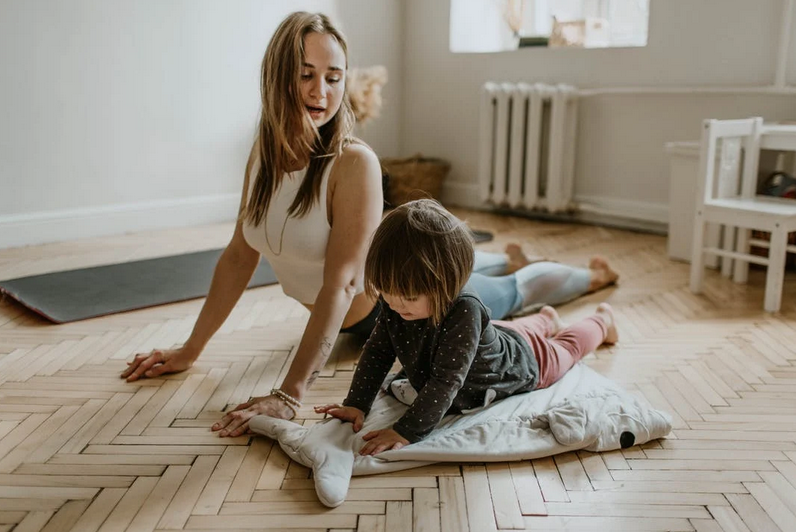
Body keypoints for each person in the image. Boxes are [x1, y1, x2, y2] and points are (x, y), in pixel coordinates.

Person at [120, 11, 618, 438]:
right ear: (276, 76)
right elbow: (237, 257)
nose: (322, 91)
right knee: (496, 283)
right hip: (387, 302)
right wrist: (191, 348)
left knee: (511, 291)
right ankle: (509, 268)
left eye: (334, 77)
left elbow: (341, 284)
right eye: (306, 74)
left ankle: (589, 280)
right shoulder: (263, 156)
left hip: (411, 307)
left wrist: (290, 394)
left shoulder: (352, 163)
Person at [314, 199, 618, 455]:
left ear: (446, 284)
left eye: (407, 297)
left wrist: (405, 431)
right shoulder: (397, 303)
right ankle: (546, 318)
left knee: (566, 347)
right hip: (495, 336)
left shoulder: (465, 309)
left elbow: (446, 381)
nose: (395, 305)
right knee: (512, 330)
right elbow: (378, 351)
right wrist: (356, 403)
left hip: (523, 361)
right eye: (386, 293)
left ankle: (602, 321)